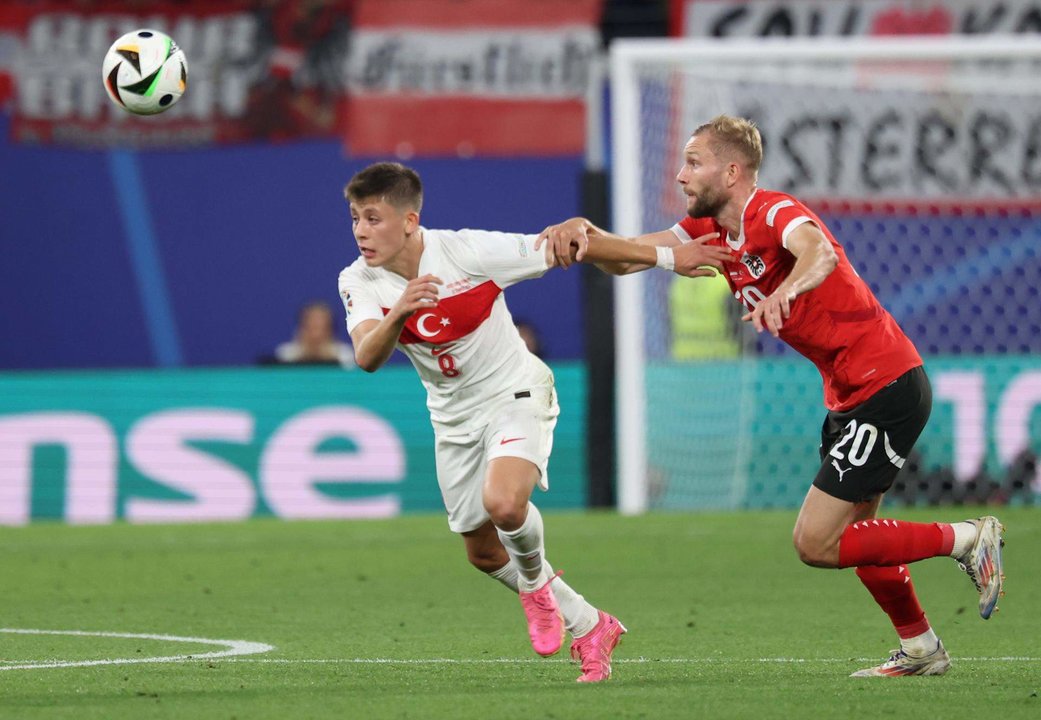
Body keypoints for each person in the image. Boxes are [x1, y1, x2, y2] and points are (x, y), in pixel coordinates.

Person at [538, 115, 1005, 678]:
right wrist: (584, 236)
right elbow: (628, 255)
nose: (682, 176)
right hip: (849, 396)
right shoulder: (710, 231)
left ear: (731, 171)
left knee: (816, 541)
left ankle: (967, 538)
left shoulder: (773, 211)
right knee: (861, 537)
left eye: (693, 162)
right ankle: (922, 648)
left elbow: (819, 254)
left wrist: (782, 292)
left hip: (888, 385)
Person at [336, 162, 726, 682]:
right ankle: (590, 624)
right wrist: (399, 312)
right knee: (480, 552)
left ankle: (537, 591)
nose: (362, 230)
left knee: (504, 502)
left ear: (410, 221)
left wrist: (667, 256)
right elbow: (366, 355)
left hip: (513, 392)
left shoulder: (468, 252)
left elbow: (574, 243)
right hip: (452, 419)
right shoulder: (357, 280)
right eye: (356, 218)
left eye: (374, 217)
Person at [272, 300, 355, 368]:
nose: (316, 335)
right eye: (310, 328)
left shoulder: (346, 358)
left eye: (322, 329)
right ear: (300, 330)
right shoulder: (285, 357)